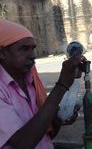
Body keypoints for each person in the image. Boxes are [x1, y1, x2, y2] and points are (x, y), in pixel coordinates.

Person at [0, 19, 84, 149]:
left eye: (33, 48)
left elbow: (46, 135)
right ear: (3, 53)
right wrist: (61, 85)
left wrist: (58, 118)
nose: (32, 55)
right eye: (24, 49)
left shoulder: (31, 81)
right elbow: (23, 143)